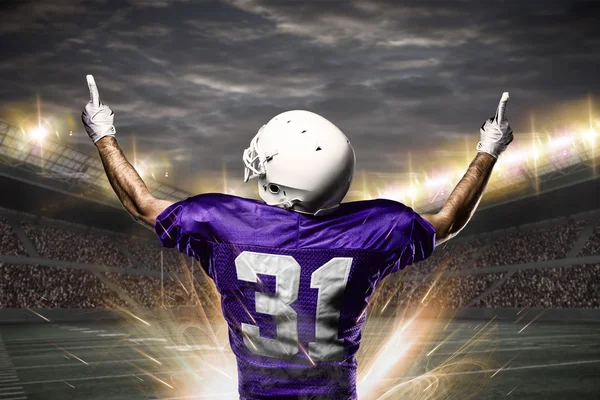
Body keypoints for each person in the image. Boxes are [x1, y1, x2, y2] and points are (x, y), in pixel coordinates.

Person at [82, 74, 512, 399]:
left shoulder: (221, 221)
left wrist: (104, 136)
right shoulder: (378, 227)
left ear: (281, 183)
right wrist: (488, 149)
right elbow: (450, 218)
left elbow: (141, 204)